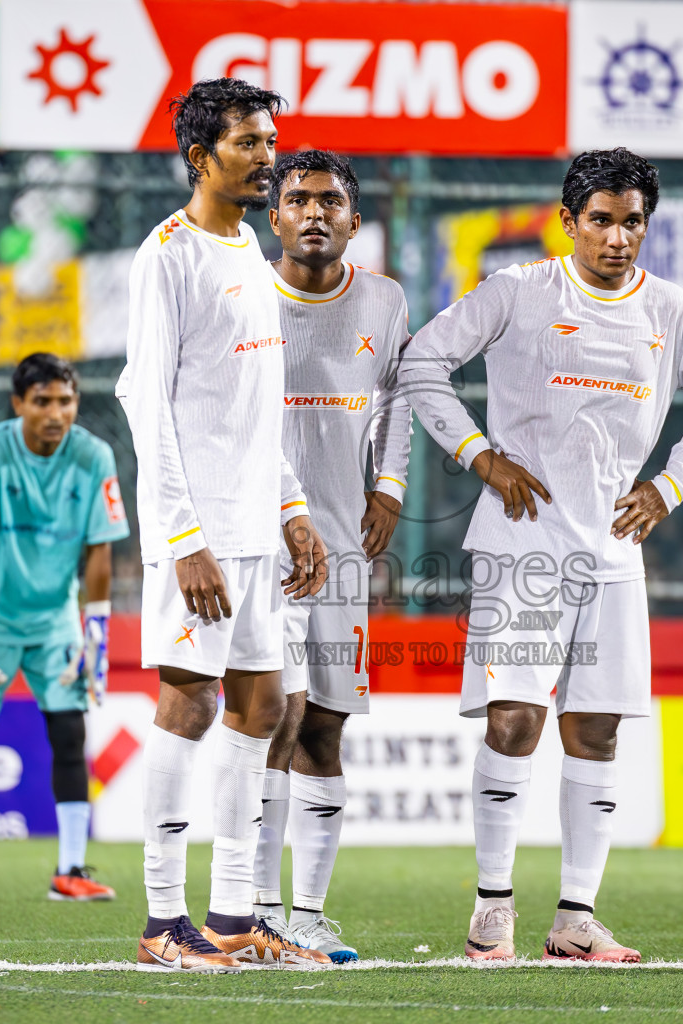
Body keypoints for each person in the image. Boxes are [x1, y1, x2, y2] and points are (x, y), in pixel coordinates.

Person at [397, 148, 683, 962]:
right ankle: (492, 907)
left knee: (596, 731)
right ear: (568, 220)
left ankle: (576, 921)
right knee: (515, 720)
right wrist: (481, 455)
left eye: (632, 223)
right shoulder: (520, 292)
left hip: (616, 551)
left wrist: (671, 486)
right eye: (601, 220)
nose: (618, 238)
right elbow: (419, 362)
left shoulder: (673, 309)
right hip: (523, 544)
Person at [116, 78, 330, 974]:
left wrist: (292, 510)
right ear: (200, 156)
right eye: (249, 142)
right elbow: (144, 403)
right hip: (197, 535)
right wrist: (182, 540)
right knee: (190, 701)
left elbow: (257, 406)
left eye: (269, 139)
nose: (268, 155)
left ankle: (236, 913)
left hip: (254, 526)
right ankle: (164, 922)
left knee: (263, 706)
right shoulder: (166, 256)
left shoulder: (248, 247)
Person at [249, 150, 412, 964]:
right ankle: (253, 910)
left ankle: (307, 915)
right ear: (274, 217)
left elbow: (401, 399)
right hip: (263, 546)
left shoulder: (384, 298)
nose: (315, 212)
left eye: (332, 200)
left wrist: (391, 487)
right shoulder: (244, 291)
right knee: (269, 717)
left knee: (325, 727)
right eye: (298, 199)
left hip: (344, 547)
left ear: (354, 219)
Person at [0, 352, 129, 904]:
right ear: (19, 403)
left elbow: (99, 550)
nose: (56, 413)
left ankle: (71, 869)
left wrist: (97, 628)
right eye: (42, 401)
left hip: (57, 619)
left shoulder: (94, 456)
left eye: (66, 401)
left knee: (69, 734)